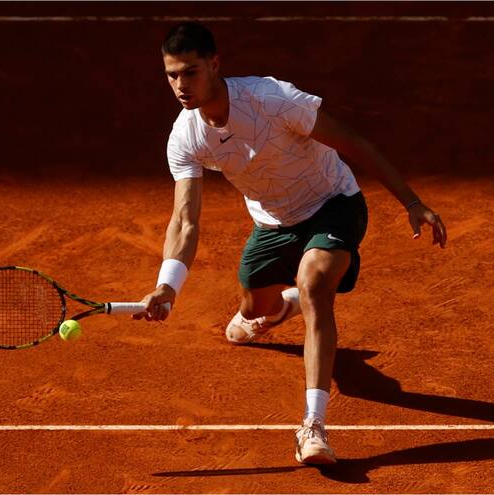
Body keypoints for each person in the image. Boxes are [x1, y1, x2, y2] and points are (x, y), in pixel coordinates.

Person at [134, 21, 447, 465]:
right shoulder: (185, 136)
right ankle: (279, 307)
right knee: (250, 310)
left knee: (315, 282)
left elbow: (351, 141)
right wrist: (167, 287)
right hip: (273, 224)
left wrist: (412, 201)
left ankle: (313, 427)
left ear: (215, 64)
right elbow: (185, 219)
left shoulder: (271, 99)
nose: (180, 85)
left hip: (332, 204)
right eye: (171, 75)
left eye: (190, 72)